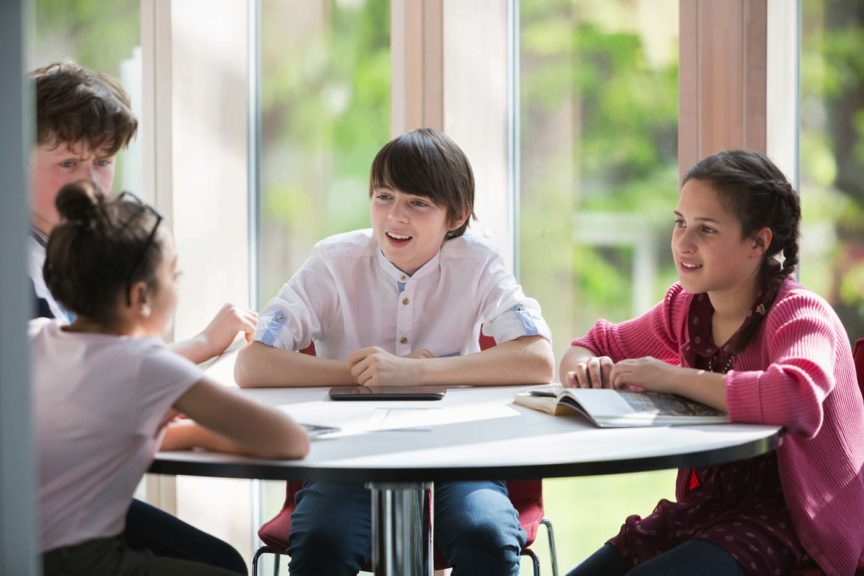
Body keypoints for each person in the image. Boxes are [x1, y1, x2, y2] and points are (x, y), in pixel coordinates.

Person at [235, 128, 555, 575]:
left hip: (458, 451)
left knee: (483, 536)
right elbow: (252, 365)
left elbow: (538, 360)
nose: (395, 217)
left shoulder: (479, 263)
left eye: (418, 203)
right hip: (346, 454)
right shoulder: (333, 261)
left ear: (456, 215)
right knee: (324, 542)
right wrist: (365, 373)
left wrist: (419, 374)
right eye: (384, 197)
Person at [560, 149, 864, 576]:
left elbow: (793, 397)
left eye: (706, 229)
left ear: (758, 242)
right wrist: (583, 369)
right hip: (711, 509)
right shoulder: (686, 307)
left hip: (796, 521)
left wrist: (673, 377)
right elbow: (591, 342)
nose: (684, 243)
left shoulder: (800, 315)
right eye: (680, 222)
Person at [29, 60, 257, 574]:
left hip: (63, 497)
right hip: (44, 515)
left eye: (104, 162)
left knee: (220, 559)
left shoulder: (68, 251)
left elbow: (98, 368)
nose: (89, 184)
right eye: (68, 164)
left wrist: (201, 344)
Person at [33, 181, 310, 576]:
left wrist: (188, 434)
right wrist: (202, 432)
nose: (178, 287)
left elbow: (76, 434)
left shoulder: (35, 336)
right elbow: (290, 440)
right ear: (141, 295)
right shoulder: (145, 364)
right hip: (80, 561)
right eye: (174, 275)